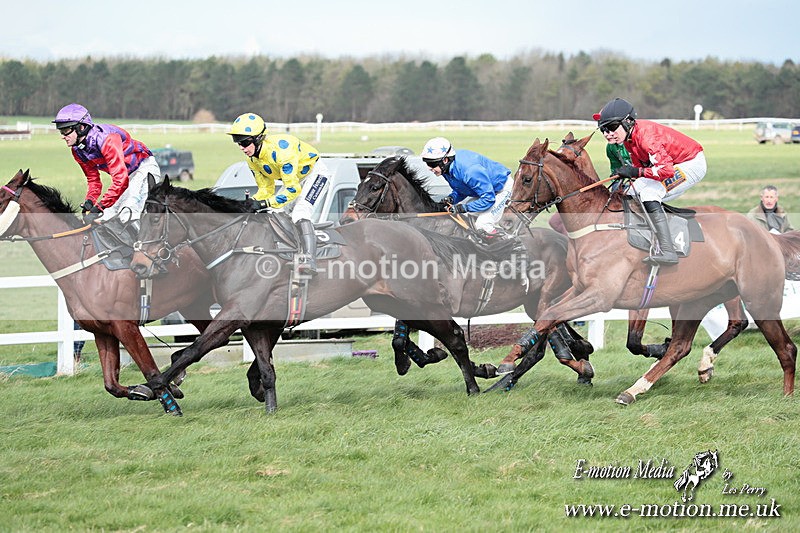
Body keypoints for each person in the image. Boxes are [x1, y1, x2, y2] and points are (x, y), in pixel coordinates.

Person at [594, 97, 706, 265]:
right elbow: (644, 169)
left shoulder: (646, 137)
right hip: (674, 164)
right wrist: (632, 175)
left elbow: (665, 171)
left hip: (691, 163)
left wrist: (635, 171)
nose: (607, 134)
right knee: (629, 192)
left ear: (628, 122)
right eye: (603, 129)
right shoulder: (629, 139)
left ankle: (668, 250)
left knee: (649, 193)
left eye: (611, 127)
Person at [226, 112, 329, 275]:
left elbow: (293, 190)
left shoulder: (282, 153)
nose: (241, 147)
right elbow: (266, 190)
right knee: (274, 213)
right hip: (295, 180)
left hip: (315, 174)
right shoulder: (252, 160)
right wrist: (250, 203)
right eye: (237, 142)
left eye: (245, 142)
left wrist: (264, 203)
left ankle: (310, 259)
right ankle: (288, 254)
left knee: (300, 212)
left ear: (258, 138)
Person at [53, 103, 160, 225]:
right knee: (106, 217)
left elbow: (120, 180)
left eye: (66, 131)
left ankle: (145, 243)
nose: (63, 136)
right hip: (126, 178)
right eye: (61, 132)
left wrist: (99, 207)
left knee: (128, 214)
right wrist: (90, 201)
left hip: (144, 169)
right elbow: (93, 180)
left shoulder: (107, 140)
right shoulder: (77, 150)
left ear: (81, 127)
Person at [421, 137, 514, 243]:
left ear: (445, 160)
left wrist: (463, 207)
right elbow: (462, 189)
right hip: (485, 191)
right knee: (464, 218)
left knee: (483, 224)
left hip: (501, 189)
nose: (430, 168)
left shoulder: (470, 171)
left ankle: (513, 244)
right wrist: (451, 199)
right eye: (427, 163)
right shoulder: (446, 169)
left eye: (432, 164)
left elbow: (489, 199)